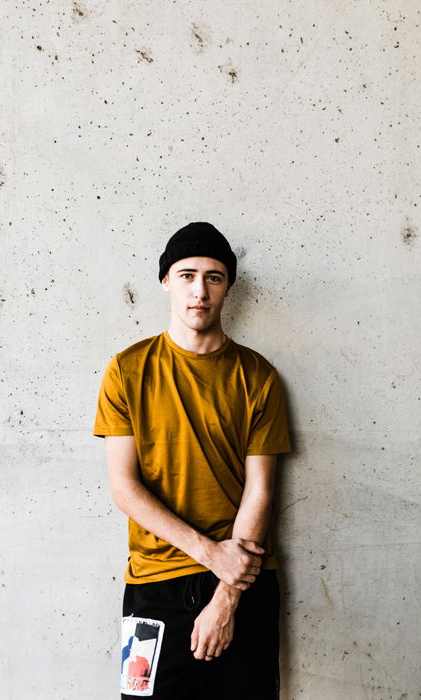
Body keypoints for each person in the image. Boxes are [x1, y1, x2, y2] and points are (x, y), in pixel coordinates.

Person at [93, 222, 291, 699]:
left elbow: (260, 490)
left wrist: (227, 593)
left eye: (214, 277)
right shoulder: (127, 370)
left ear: (228, 287)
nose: (199, 291)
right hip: (153, 585)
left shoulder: (258, 376)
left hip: (245, 585)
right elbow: (125, 487)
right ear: (166, 281)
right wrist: (209, 553)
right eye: (186, 275)